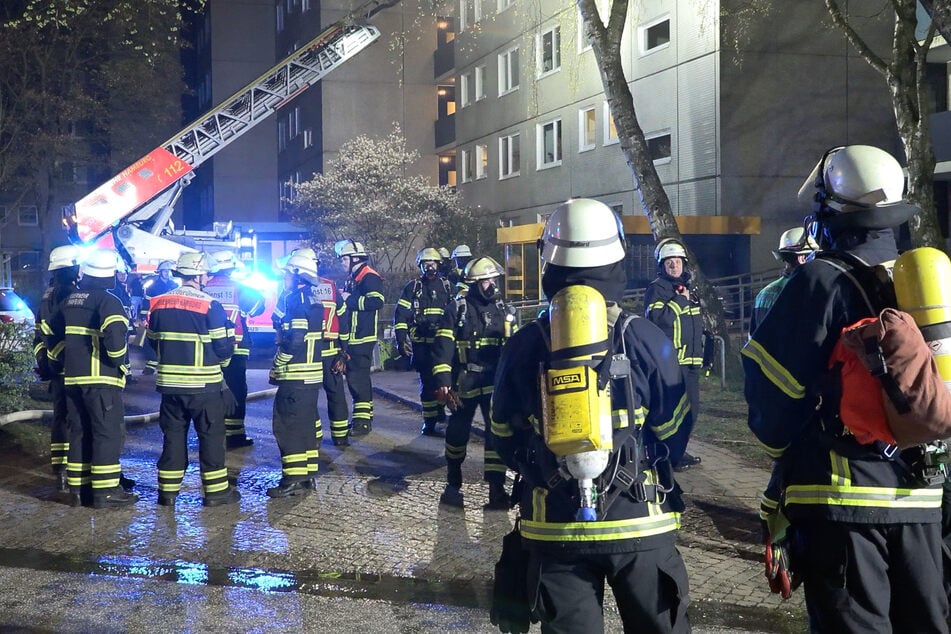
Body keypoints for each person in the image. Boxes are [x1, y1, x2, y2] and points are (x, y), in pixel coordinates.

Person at [742, 145, 947, 632]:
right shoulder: (924, 285)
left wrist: (780, 457)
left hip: (843, 499)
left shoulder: (819, 281)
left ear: (826, 209)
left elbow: (773, 399)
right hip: (925, 494)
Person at [491, 198, 692, 633]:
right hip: (639, 524)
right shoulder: (644, 337)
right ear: (617, 256)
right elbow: (675, 427)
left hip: (555, 532)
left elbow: (501, 433)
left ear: (548, 262)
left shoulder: (523, 344)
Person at [48, 248, 138, 509]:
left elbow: (51, 336)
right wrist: (119, 361)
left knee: (79, 432)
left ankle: (79, 490)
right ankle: (106, 492)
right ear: (109, 274)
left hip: (72, 380)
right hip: (101, 381)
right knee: (105, 433)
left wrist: (62, 360)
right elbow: (115, 343)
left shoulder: (70, 300)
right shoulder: (109, 302)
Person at [147, 252, 239, 507]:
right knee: (210, 437)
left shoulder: (159, 303)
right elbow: (223, 348)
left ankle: (167, 493)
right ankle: (216, 493)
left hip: (170, 387)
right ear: (198, 275)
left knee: (173, 437)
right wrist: (222, 369)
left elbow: (153, 341)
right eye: (206, 273)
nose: (207, 277)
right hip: (204, 386)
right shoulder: (210, 305)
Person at [432, 255, 516, 510]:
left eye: (494, 279)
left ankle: (496, 489)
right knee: (457, 432)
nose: (492, 284)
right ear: (475, 283)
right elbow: (443, 346)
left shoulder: (505, 310)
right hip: (464, 382)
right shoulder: (458, 309)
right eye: (487, 280)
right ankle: (453, 483)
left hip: (494, 382)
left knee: (496, 436)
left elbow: (513, 349)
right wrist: (444, 380)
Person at [267, 250, 326, 497]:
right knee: (306, 426)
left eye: (287, 273)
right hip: (311, 377)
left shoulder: (295, 299)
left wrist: (278, 364)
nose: (284, 278)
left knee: (287, 426)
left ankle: (291, 479)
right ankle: (306, 476)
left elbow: (295, 340)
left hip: (295, 374)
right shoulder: (312, 298)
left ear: (297, 274)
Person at [644, 238, 703, 471]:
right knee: (673, 413)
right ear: (662, 266)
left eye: (677, 262)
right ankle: (669, 456)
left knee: (692, 411)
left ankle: (679, 450)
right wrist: (679, 301)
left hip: (691, 361)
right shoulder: (657, 289)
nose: (674, 266)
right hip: (671, 363)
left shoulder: (688, 289)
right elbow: (657, 320)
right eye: (669, 262)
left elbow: (694, 324)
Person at [204, 250, 265, 448]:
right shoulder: (239, 288)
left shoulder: (203, 289)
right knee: (237, 390)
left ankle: (212, 433)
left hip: (209, 349)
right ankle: (235, 435)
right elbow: (258, 308)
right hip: (236, 348)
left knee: (212, 389)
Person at [33, 245, 81, 493]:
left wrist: (44, 362)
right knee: (76, 420)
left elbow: (39, 335)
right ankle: (75, 471)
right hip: (69, 367)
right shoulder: (68, 294)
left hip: (54, 366)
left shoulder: (47, 293)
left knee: (59, 419)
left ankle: (59, 471)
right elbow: (66, 333)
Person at [394, 247, 454, 437]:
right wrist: (401, 339)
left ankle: (442, 415)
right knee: (427, 384)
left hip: (442, 345)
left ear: (438, 264)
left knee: (444, 381)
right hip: (422, 345)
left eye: (433, 263)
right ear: (421, 266)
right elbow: (401, 315)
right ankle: (429, 422)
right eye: (426, 264)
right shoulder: (413, 288)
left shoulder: (447, 286)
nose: (430, 267)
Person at [334, 239, 384, 437]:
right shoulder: (355, 277)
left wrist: (349, 299)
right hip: (354, 337)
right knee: (356, 379)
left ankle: (362, 423)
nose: (342, 263)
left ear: (355, 258)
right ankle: (362, 419)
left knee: (358, 380)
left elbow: (376, 301)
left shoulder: (368, 277)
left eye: (344, 259)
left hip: (362, 338)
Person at [748, 227, 818, 335]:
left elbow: (754, 337)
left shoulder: (764, 293)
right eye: (815, 256)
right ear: (802, 258)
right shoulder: (808, 291)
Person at [140, 259, 179, 375]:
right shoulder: (153, 286)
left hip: (171, 316)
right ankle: (151, 365)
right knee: (151, 338)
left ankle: (168, 364)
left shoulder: (175, 286)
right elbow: (146, 302)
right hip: (156, 315)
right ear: (160, 272)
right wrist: (143, 317)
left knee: (169, 340)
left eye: (169, 271)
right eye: (164, 271)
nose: (167, 273)